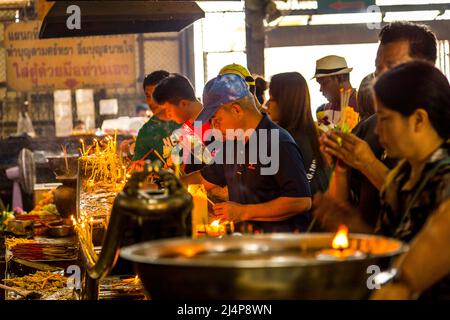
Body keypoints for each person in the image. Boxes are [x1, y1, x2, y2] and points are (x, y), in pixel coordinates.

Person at [314, 61, 450, 249]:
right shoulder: (405, 175)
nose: (377, 131)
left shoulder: (444, 180)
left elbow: (410, 271)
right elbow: (392, 246)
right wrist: (353, 225)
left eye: (385, 119)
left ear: (419, 120)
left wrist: (367, 163)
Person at [319, 21, 438, 227]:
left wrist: (368, 163)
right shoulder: (370, 126)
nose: (379, 78)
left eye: (392, 67)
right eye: (377, 68)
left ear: (426, 68)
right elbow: (344, 203)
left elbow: (426, 207)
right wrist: (341, 167)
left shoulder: (441, 128)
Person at [181, 74, 312, 233]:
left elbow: (300, 201)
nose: (214, 126)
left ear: (236, 110)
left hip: (278, 246)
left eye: (216, 118)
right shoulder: (232, 143)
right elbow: (204, 178)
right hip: (246, 240)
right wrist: (172, 184)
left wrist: (242, 212)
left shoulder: (277, 142)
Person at [266, 72, 330, 195]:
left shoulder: (284, 142)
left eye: (271, 98)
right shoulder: (314, 134)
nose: (267, 104)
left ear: (285, 102)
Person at [152, 74, 212, 174]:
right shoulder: (186, 128)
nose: (167, 115)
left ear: (183, 103)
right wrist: (175, 168)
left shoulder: (214, 123)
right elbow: (187, 166)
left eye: (168, 109)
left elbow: (217, 168)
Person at [132, 70, 180, 162]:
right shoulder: (147, 132)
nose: (151, 101)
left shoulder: (188, 120)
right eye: (148, 96)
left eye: (156, 95)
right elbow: (137, 164)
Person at [313, 55, 357, 125]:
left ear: (341, 77)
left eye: (324, 83)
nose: (320, 89)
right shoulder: (326, 109)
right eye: (319, 84)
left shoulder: (361, 106)